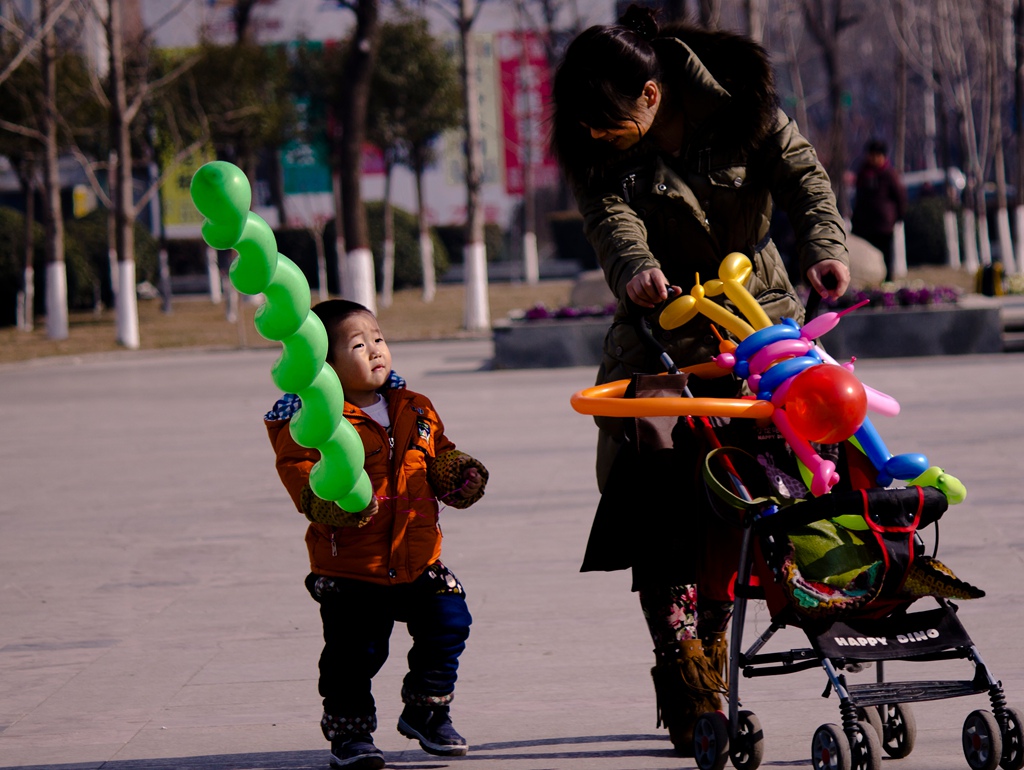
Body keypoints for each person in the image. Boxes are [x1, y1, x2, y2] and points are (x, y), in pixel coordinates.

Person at [550, 4, 851, 755]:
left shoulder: (743, 107)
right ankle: (684, 668)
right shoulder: (596, 140)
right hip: (660, 339)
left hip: (763, 331)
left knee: (762, 499)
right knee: (657, 498)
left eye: (608, 123)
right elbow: (610, 221)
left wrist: (823, 246)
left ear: (651, 97)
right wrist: (636, 270)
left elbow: (806, 180)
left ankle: (727, 641)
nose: (593, 135)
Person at [265, 299, 488, 769]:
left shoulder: (414, 407)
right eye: (358, 344)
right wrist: (338, 505)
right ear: (325, 365)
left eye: (379, 339)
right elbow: (299, 476)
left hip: (418, 557)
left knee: (449, 621)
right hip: (352, 567)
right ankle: (351, 733)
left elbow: (439, 454)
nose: (375, 350)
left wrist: (459, 474)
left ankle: (427, 712)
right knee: (355, 653)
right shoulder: (313, 422)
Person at [851, 138, 907, 281]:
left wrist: (899, 216)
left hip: (883, 225)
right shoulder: (863, 173)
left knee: (885, 255)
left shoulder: (889, 174)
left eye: (877, 155)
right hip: (864, 224)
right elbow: (859, 197)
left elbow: (900, 196)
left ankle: (887, 281)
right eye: (871, 155)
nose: (873, 158)